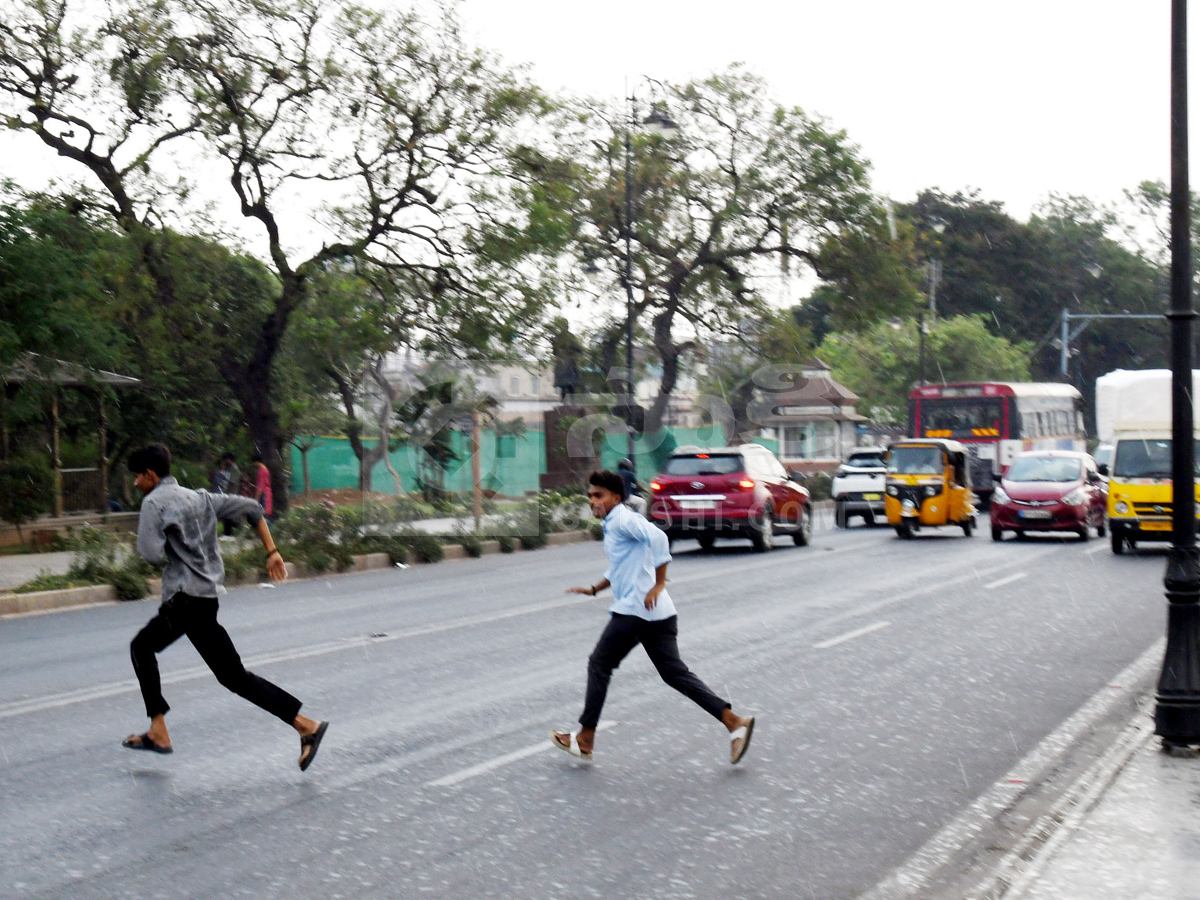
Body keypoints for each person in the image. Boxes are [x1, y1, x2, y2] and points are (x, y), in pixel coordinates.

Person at [122, 443, 329, 771]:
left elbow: (150, 553)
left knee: (141, 648)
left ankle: (159, 731)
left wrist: (162, 536)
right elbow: (252, 508)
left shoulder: (154, 503)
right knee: (234, 677)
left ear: (150, 475)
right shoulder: (202, 498)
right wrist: (272, 552)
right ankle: (305, 725)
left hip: (183, 600)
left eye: (137, 477)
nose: (135, 483)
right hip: (206, 599)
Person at [550, 469, 755, 764]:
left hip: (635, 612)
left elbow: (658, 537)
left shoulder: (622, 519)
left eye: (599, 495)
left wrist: (659, 582)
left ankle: (585, 737)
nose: (593, 501)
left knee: (599, 664)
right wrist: (595, 588)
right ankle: (734, 722)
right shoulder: (615, 523)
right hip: (658, 614)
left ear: (616, 498)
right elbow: (624, 565)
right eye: (590, 496)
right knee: (674, 674)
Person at [210, 451, 241, 536]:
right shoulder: (228, 468)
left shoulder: (234, 469)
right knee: (226, 514)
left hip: (231, 493)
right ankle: (231, 529)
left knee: (229, 514)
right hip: (225, 494)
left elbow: (231, 482)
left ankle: (230, 531)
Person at [251, 453, 273, 519]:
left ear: (257, 462)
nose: (253, 464)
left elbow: (260, 487)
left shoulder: (262, 471)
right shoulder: (265, 469)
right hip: (266, 493)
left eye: (254, 462)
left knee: (262, 514)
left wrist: (256, 499)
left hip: (263, 494)